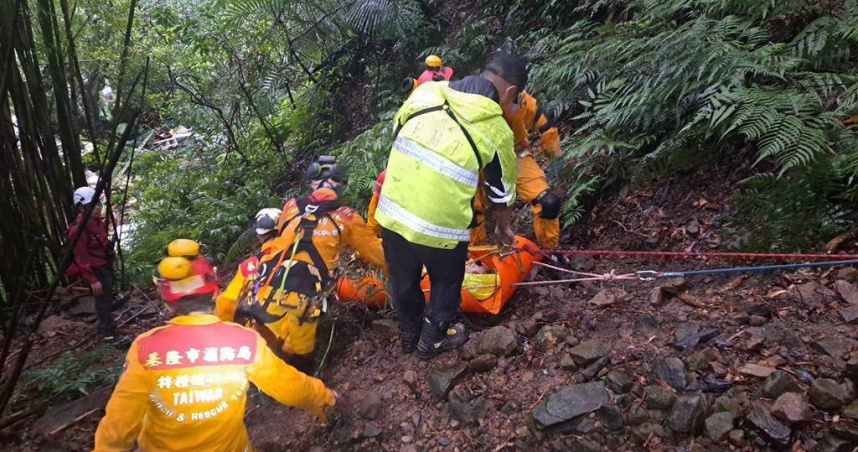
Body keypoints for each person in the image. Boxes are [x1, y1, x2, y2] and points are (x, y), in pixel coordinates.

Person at [93, 241, 336, 452]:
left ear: (167, 302)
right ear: (214, 291)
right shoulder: (244, 342)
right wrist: (326, 400)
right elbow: (291, 387)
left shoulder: (146, 349)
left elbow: (118, 424)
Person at [376, 52, 527, 360]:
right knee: (446, 283)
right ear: (510, 92)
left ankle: (408, 338)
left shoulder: (426, 92)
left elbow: (398, 134)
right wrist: (502, 228)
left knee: (403, 281)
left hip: (393, 212)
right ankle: (431, 342)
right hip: (439, 226)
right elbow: (500, 193)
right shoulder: (496, 128)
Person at [217, 157, 385, 371]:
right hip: (304, 295)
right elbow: (377, 255)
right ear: (340, 185)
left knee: (264, 333)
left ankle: (247, 371)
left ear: (311, 184)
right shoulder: (346, 217)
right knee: (299, 352)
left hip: (267, 280)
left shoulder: (290, 207)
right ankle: (299, 383)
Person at [472, 91, 563, 249]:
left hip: (515, 156)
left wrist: (557, 159)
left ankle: (550, 251)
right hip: (477, 161)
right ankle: (475, 255)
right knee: (472, 213)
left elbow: (547, 128)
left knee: (548, 203)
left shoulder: (525, 103)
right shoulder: (471, 103)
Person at [67, 186, 120, 341]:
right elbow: (81, 257)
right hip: (95, 269)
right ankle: (108, 335)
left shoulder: (96, 222)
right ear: (81, 208)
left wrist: (112, 255)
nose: (97, 208)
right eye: (93, 205)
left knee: (107, 298)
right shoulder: (79, 230)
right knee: (103, 301)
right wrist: (93, 281)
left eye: (98, 204)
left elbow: (102, 242)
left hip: (104, 264)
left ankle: (107, 326)